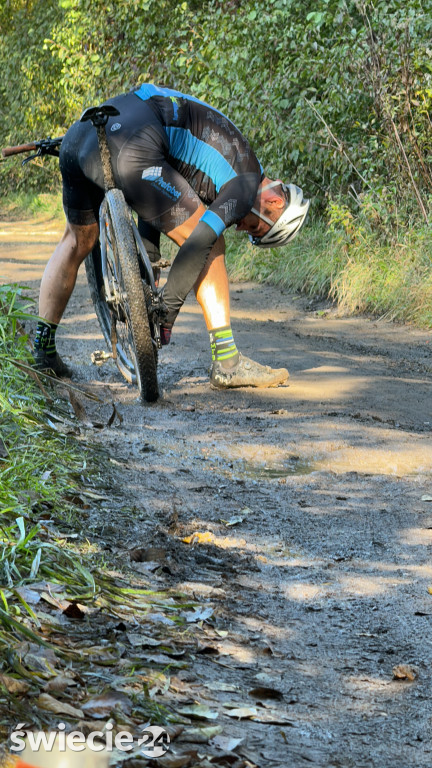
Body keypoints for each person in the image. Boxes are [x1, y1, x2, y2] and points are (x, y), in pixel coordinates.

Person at [33, 83, 309, 389]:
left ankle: (42, 348)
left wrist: (147, 268)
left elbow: (156, 198)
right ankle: (228, 363)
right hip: (134, 147)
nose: (243, 228)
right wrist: (168, 310)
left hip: (79, 137)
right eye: (256, 228)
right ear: (274, 202)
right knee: (214, 242)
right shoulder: (246, 183)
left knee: (76, 241)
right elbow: (201, 240)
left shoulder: (227, 148)